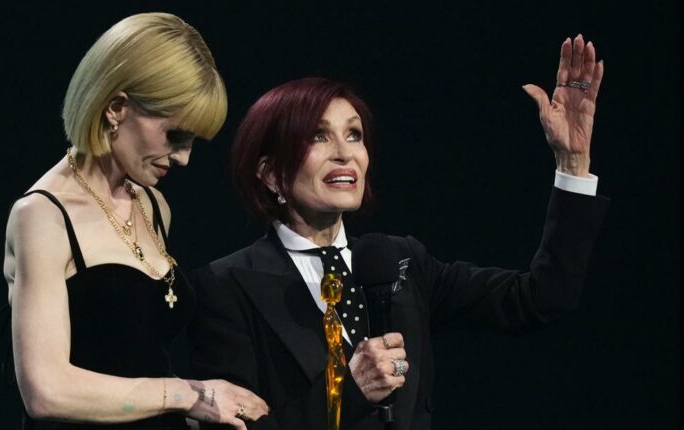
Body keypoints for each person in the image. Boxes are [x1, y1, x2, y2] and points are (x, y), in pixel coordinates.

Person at [187, 34, 609, 429]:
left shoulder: (399, 262)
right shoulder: (227, 287)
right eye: (318, 136)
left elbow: (540, 298)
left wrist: (572, 166)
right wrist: (347, 394)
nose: (344, 154)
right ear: (271, 174)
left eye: (354, 135)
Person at [0, 13, 268, 430]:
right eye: (175, 136)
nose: (183, 158)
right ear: (116, 108)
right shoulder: (42, 217)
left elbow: (136, 357)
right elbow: (45, 390)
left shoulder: (154, 205)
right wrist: (190, 394)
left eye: (193, 142)